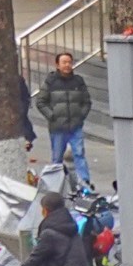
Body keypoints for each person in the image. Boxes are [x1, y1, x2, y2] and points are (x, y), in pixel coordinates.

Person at [34, 53, 93, 183]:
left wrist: (80, 116)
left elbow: (86, 102)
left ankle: (85, 182)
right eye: (64, 62)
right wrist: (52, 115)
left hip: (75, 125)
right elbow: (40, 102)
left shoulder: (78, 81)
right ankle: (56, 183)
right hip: (58, 127)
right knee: (57, 158)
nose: (67, 65)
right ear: (57, 65)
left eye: (69, 62)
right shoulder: (51, 81)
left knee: (79, 154)